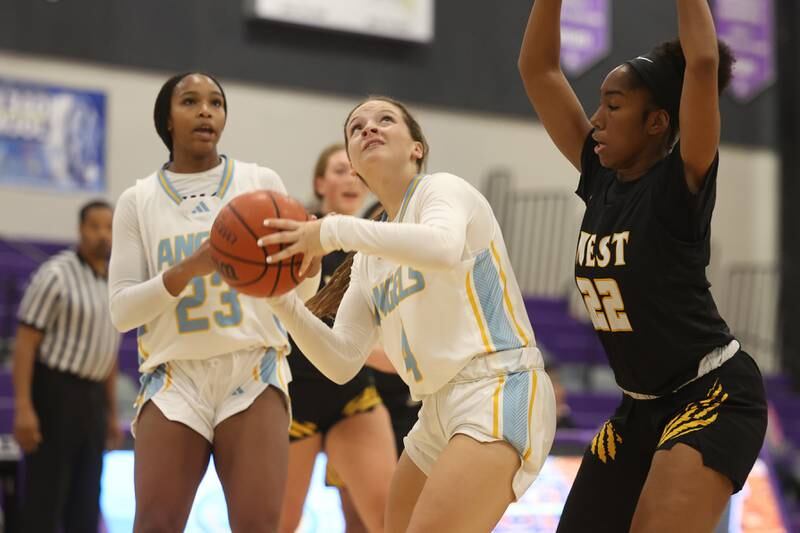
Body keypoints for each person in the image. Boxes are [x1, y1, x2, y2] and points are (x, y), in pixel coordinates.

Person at [518, 1, 768, 531]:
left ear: (657, 122)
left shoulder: (680, 183)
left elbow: (702, 65)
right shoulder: (601, 177)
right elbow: (539, 70)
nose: (595, 120)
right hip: (639, 408)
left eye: (613, 106)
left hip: (713, 393)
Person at [257, 96, 557, 533]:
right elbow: (342, 362)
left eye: (385, 120)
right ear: (355, 165)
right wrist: (281, 303)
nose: (369, 128)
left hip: (497, 386)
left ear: (417, 147)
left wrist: (331, 230)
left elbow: (442, 247)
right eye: (356, 127)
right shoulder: (368, 259)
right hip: (434, 408)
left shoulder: (443, 190)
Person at [108, 72, 320, 533]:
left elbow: (302, 292)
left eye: (216, 102)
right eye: (190, 101)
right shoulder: (137, 200)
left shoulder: (259, 182)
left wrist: (311, 262)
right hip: (174, 377)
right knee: (154, 525)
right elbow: (122, 311)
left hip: (251, 368)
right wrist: (189, 268)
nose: (206, 110)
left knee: (259, 526)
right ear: (167, 118)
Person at [280, 144, 397, 533]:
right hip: (296, 397)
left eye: (354, 172)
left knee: (385, 522)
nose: (349, 177)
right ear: (319, 183)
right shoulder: (300, 238)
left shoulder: (377, 245)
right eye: (338, 170)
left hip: (352, 397)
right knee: (280, 524)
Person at [12, 200, 122, 533]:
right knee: (45, 498)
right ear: (80, 230)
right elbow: (25, 342)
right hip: (55, 394)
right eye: (95, 226)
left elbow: (109, 354)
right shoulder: (55, 274)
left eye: (109, 227)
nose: (103, 234)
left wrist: (112, 413)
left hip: (93, 400)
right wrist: (23, 408)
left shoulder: (115, 283)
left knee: (87, 502)